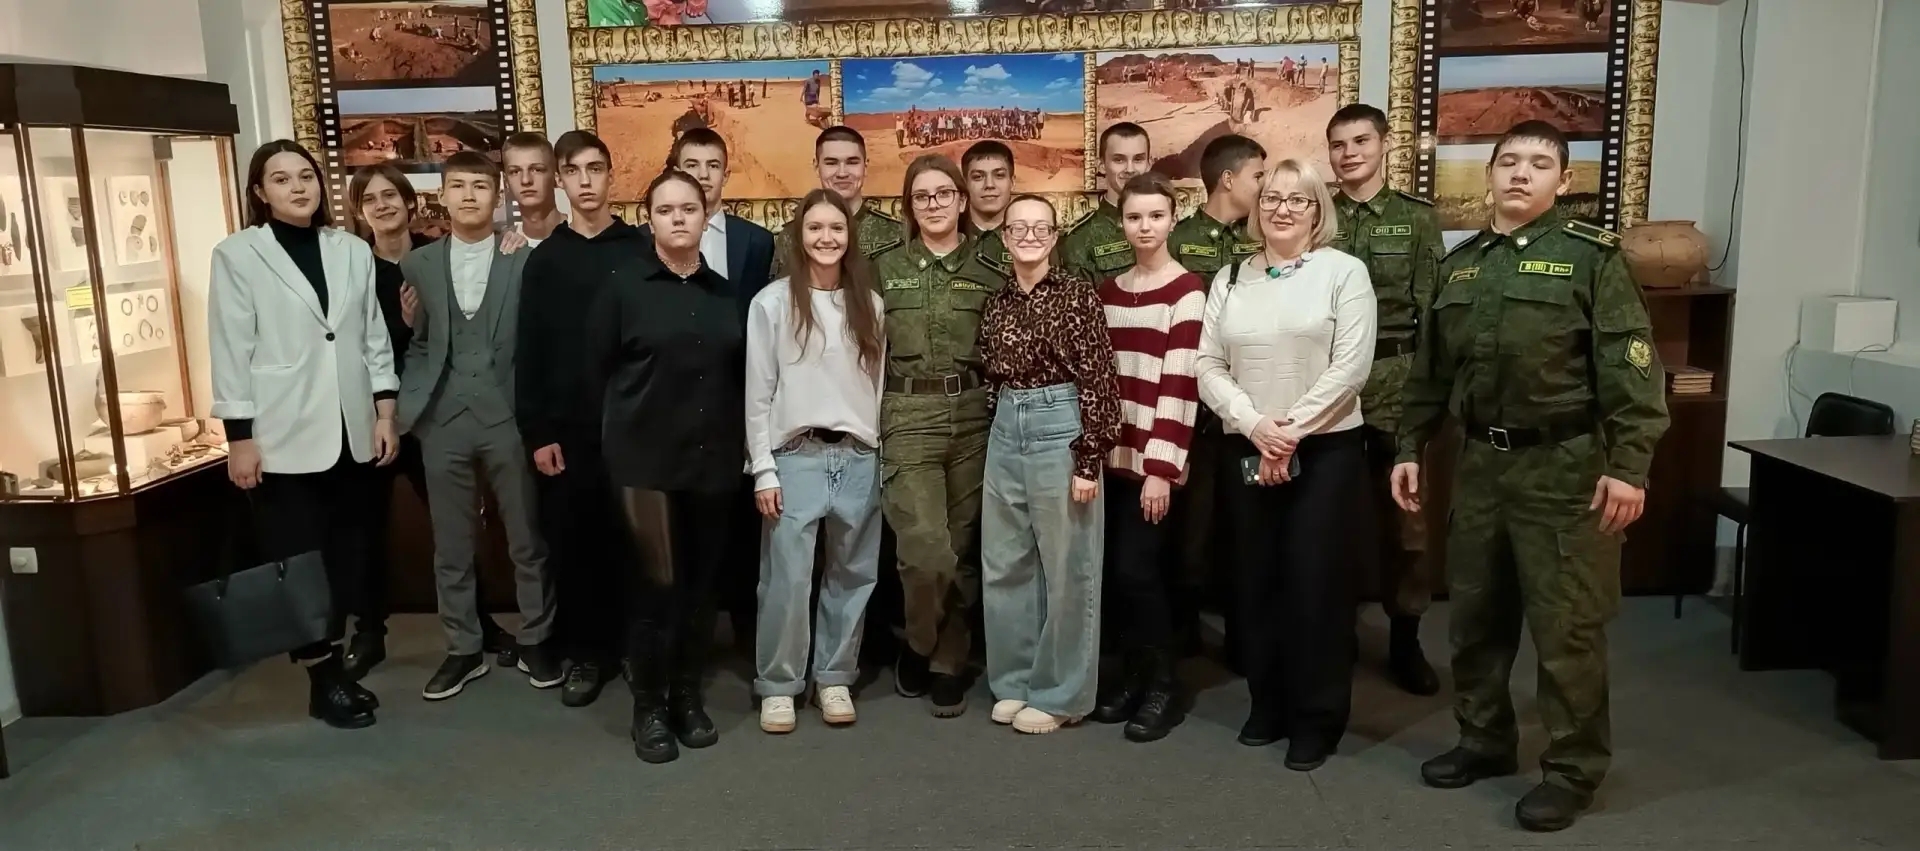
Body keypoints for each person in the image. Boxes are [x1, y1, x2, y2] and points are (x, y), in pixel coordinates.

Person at [1393, 120, 1668, 832]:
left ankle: (1573, 769)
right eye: (1508, 161)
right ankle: (1484, 739)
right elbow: (1429, 373)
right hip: (1482, 466)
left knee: (1566, 628)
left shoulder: (1592, 259)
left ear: (1563, 181)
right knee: (1475, 618)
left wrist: (1629, 467)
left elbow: (1632, 370)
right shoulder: (1461, 266)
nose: (1520, 173)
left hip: (1566, 469)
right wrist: (1409, 445)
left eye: (1539, 164)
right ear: (1489, 174)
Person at [208, 140, 399, 729]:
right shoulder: (238, 254)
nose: (297, 187)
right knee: (299, 560)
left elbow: (372, 336)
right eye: (281, 179)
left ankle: (337, 667)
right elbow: (230, 346)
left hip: (351, 427)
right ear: (260, 192)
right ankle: (323, 678)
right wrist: (239, 436)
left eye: (306, 176)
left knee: (347, 556)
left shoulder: (351, 250)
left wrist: (385, 412)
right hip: (281, 432)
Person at [1196, 158, 1376, 772]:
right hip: (1248, 445)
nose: (1282, 209)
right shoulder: (1229, 277)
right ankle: (1266, 703)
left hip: (1323, 453)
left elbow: (1351, 368)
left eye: (1298, 200)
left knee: (1315, 585)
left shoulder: (1343, 272)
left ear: (1317, 210)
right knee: (1255, 582)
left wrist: (1290, 432)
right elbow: (1207, 364)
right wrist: (1256, 426)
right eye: (1272, 197)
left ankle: (1315, 717)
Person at [338, 164, 518, 680]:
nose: (382, 205)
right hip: (373, 413)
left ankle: (477, 625)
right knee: (367, 528)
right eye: (370, 199)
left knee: (456, 527)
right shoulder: (353, 266)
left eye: (390, 195)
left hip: (432, 410)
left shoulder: (432, 258)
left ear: (412, 203)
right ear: (359, 211)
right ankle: (369, 632)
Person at [589, 169, 745, 763]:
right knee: (656, 588)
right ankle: (649, 708)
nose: (678, 218)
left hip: (712, 462)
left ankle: (686, 697)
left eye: (689, 209)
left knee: (701, 592)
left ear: (705, 216)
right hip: (645, 466)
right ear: (648, 219)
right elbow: (595, 375)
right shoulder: (622, 288)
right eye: (665, 210)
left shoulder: (725, 293)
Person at [395, 152, 560, 700]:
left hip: (508, 415)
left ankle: (537, 637)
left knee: (526, 537)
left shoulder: (524, 258)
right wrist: (412, 406)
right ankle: (463, 647)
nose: (469, 195)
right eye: (458, 186)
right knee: (451, 543)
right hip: (442, 418)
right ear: (442, 195)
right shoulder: (418, 265)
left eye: (481, 186)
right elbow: (420, 342)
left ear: (498, 196)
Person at [978, 193, 1122, 735]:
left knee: (1068, 566)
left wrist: (1089, 458)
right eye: (1019, 228)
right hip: (1005, 427)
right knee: (1005, 562)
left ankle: (1062, 693)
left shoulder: (1077, 296)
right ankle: (1015, 682)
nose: (1030, 237)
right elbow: (990, 372)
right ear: (1005, 237)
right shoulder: (998, 301)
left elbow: (1100, 377)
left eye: (1041, 228)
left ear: (1055, 236)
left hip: (1059, 425)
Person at [744, 189, 886, 733]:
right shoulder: (772, 303)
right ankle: (779, 684)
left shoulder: (869, 305)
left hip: (857, 456)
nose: (826, 238)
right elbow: (758, 394)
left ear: (850, 237)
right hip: (795, 456)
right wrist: (763, 467)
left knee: (852, 575)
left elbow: (875, 387)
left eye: (837, 228)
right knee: (786, 579)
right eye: (815, 228)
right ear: (798, 236)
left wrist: (874, 449)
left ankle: (834, 676)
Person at [871, 154, 1007, 717]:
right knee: (925, 549)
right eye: (922, 196)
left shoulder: (992, 268)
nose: (934, 204)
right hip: (907, 412)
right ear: (909, 205)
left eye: (943, 193)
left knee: (963, 544)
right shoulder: (882, 268)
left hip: (974, 414)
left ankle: (948, 661)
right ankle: (920, 640)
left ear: (961, 199)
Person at [516, 130, 644, 707]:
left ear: (611, 174)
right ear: (560, 180)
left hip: (635, 425)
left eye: (595, 169)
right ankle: (587, 655)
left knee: (636, 545)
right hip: (568, 432)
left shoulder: (640, 249)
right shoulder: (546, 260)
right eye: (574, 171)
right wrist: (539, 432)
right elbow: (531, 353)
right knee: (575, 543)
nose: (586, 182)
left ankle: (635, 649)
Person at [1326, 103, 1445, 697]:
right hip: (1330, 387)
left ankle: (1406, 637)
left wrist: (1427, 395)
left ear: (1385, 144)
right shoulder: (1316, 213)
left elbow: (1433, 312)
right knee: (1333, 516)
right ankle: (1336, 631)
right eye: (1339, 144)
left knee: (1406, 521)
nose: (1349, 154)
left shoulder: (1416, 219)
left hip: (1396, 381)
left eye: (1361, 141)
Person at [1091, 172, 1207, 742]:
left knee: (1140, 572)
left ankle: (1164, 686)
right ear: (1122, 222)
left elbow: (1179, 384)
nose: (1145, 227)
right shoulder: (1108, 292)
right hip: (1110, 460)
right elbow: (1098, 378)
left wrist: (1159, 470)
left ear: (1172, 219)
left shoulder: (1187, 291)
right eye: (1135, 217)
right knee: (1116, 577)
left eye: (1156, 216)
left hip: (1153, 464)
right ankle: (1132, 678)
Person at [664, 127, 778, 653]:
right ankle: (690, 635)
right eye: (692, 164)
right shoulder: (649, 239)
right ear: (676, 170)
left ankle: (748, 629)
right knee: (686, 524)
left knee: (743, 521)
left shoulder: (756, 241)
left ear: (726, 174)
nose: (703, 175)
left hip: (742, 397)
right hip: (677, 402)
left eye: (713, 165)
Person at [1166, 133, 1266, 665]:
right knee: (1192, 528)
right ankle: (1183, 635)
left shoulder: (1266, 241)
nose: (1265, 188)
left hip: (1252, 410)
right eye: (1258, 176)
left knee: (1248, 526)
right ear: (1228, 179)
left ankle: (1246, 637)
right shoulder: (1178, 239)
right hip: (1194, 411)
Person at [772, 126, 903, 279]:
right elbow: (781, 291)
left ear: (865, 167)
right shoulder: (792, 236)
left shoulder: (896, 234)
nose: (842, 173)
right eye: (831, 163)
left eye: (852, 162)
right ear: (817, 167)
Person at [1061, 122, 1152, 283]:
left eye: (1138, 159)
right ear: (1101, 166)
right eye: (1119, 160)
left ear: (1149, 164)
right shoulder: (1081, 238)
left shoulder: (1171, 229)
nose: (1130, 169)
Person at [962, 140, 1016, 271]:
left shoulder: (1033, 238)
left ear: (1012, 182)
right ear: (964, 184)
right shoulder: (950, 237)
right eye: (978, 177)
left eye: (999, 175)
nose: (989, 185)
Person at [502, 132, 566, 243]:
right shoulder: (505, 245)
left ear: (556, 177)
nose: (526, 180)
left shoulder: (584, 234)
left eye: (537, 170)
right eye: (515, 171)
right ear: (506, 181)